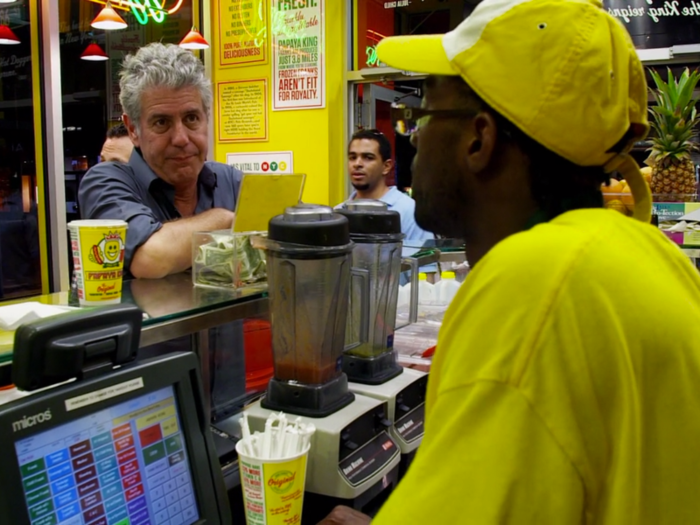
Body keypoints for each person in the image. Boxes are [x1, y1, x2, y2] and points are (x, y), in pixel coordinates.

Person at [320, 0, 700, 523]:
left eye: (425, 114)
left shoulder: (532, 287)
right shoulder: (652, 254)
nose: (414, 137)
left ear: (479, 139)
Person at [79, 43, 243, 279]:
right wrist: (225, 220)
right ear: (133, 129)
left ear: (206, 118)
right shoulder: (104, 183)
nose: (180, 138)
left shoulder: (231, 181)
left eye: (191, 118)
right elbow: (151, 259)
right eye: (161, 122)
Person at [342, 129, 432, 241]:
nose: (357, 164)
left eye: (368, 157)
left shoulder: (409, 211)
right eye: (352, 157)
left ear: (386, 166)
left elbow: (424, 256)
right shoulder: (339, 213)